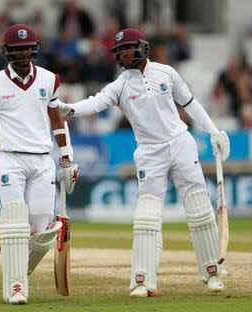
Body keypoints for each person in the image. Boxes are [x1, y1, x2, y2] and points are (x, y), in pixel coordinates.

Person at [59, 28, 230, 296]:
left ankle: (212, 273)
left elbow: (190, 103)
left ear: (141, 47)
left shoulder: (166, 72)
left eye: (127, 49)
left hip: (180, 144)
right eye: (119, 51)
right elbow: (96, 103)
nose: (123, 55)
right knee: (146, 219)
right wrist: (69, 109)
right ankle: (142, 280)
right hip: (149, 152)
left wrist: (213, 131)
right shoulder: (121, 84)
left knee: (199, 210)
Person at [0, 24, 79, 305]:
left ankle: (15, 263)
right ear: (7, 52)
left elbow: (56, 119)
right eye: (17, 49)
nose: (23, 53)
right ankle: (16, 286)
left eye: (27, 48)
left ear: (34, 49)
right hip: (9, 159)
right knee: (15, 222)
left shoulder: (49, 80)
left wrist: (65, 157)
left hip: (42, 160)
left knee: (41, 230)